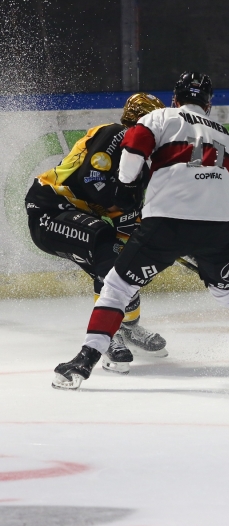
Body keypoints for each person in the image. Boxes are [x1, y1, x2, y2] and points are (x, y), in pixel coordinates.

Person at [52, 71, 229, 389]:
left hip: (167, 223)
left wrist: (128, 188)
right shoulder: (225, 134)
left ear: (175, 99)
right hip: (217, 227)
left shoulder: (160, 117)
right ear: (208, 104)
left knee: (116, 288)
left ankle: (83, 362)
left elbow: (131, 158)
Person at [26, 93, 168, 374]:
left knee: (128, 260)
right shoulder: (115, 135)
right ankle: (109, 336)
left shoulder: (141, 164)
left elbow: (133, 209)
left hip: (81, 218)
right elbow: (89, 182)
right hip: (49, 208)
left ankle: (129, 327)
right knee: (106, 249)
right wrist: (123, 214)